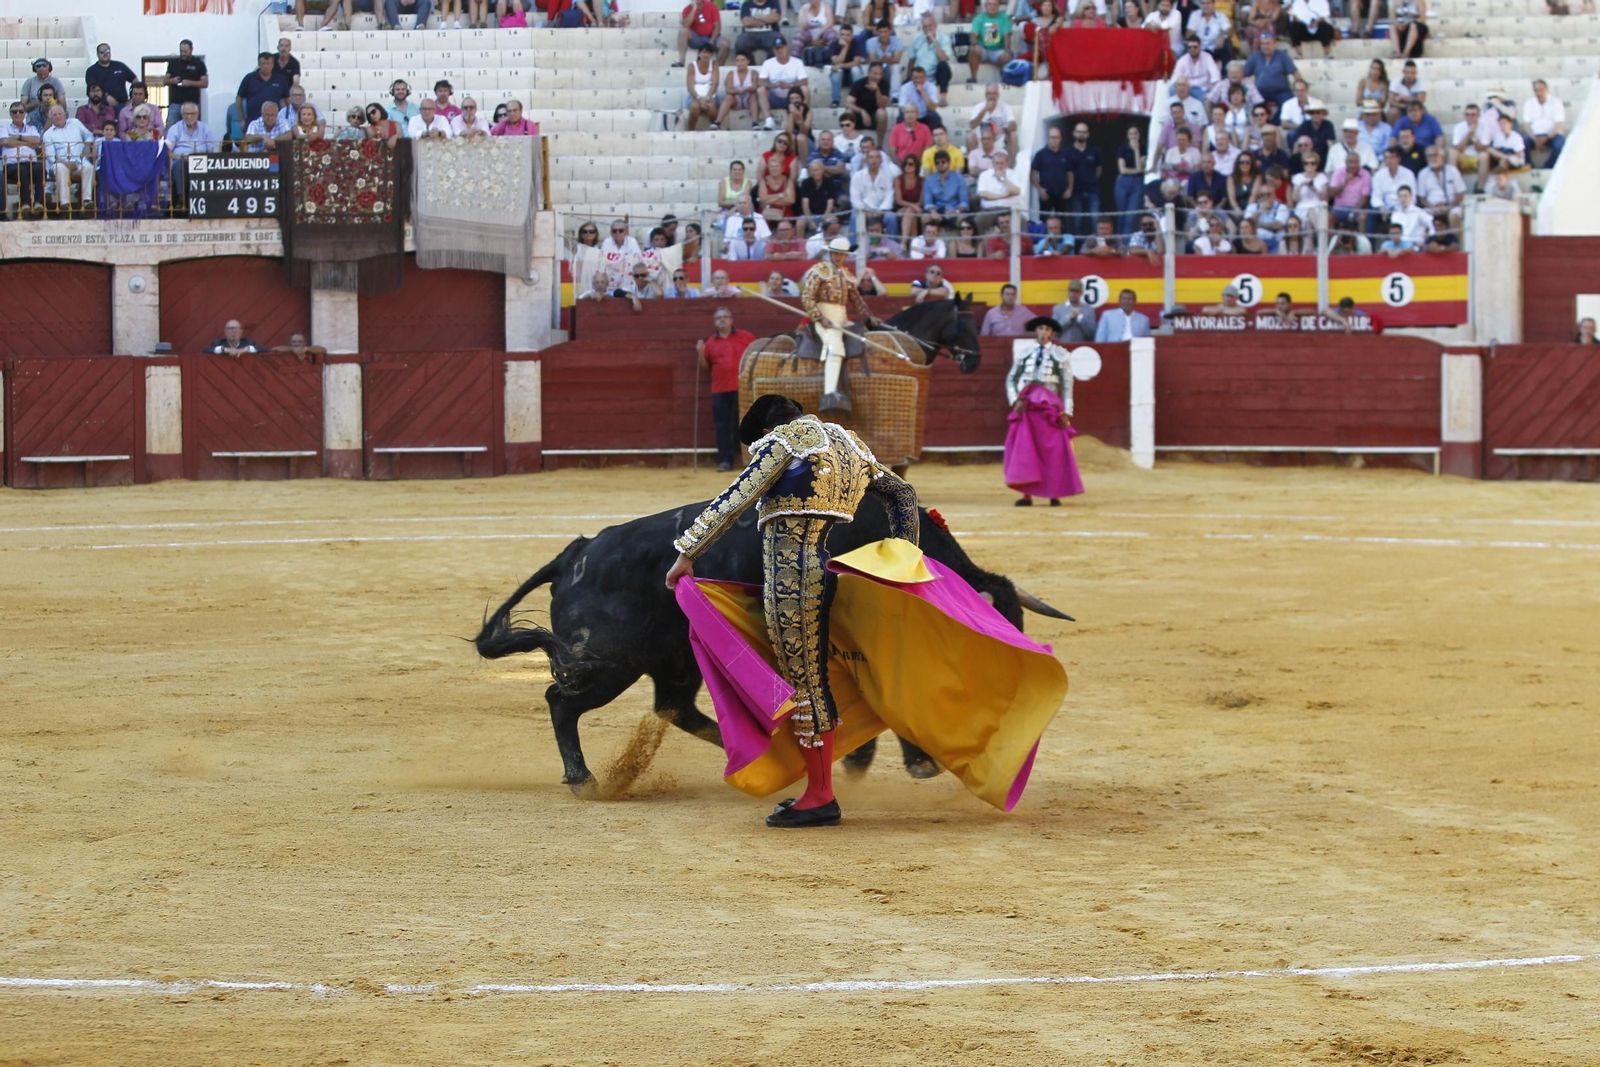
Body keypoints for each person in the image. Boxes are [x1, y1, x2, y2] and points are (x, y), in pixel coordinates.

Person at [663, 394, 922, 828]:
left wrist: (687, 552)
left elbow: (736, 498)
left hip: (790, 581)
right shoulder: (851, 444)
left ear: (765, 430)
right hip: (824, 572)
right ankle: (817, 788)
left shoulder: (787, 440)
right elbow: (903, 494)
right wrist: (906, 559)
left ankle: (821, 796)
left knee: (806, 684)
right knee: (812, 679)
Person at [1005, 315, 1084, 507]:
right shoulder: (1025, 353)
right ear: (1036, 331)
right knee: (1026, 450)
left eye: (1047, 329)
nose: (1043, 332)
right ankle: (1026, 495)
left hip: (1050, 409)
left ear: (1052, 333)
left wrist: (1067, 412)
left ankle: (1054, 493)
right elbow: (1011, 379)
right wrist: (1015, 401)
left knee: (1053, 451)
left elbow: (1067, 385)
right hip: (1028, 408)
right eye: (1040, 329)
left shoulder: (1060, 354)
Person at [801, 236, 881, 412]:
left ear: (846, 256)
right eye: (835, 253)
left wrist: (869, 317)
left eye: (841, 254)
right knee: (835, 347)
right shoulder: (819, 270)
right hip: (824, 316)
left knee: (865, 338)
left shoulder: (846, 274)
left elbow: (856, 299)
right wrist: (819, 317)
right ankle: (829, 395)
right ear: (830, 253)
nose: (838, 257)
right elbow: (807, 297)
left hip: (842, 318)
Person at [695, 309, 756, 471]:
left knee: (744, 424)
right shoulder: (710, 342)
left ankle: (747, 459)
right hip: (720, 389)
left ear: (731, 319)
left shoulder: (746, 337)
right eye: (718, 318)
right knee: (722, 426)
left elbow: (756, 355)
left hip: (742, 388)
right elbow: (705, 366)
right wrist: (701, 352)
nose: (722, 320)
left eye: (725, 317)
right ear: (715, 322)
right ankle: (725, 460)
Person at [1, 104, 45, 220]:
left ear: (25, 113)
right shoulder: (4, 128)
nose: (18, 114)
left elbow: (36, 141)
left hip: (30, 162)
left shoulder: (32, 128)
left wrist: (18, 137)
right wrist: (27, 142)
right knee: (23, 169)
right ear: (10, 114)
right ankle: (25, 203)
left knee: (40, 168)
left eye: (20, 111)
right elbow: (5, 142)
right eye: (14, 112)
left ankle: (38, 202)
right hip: (11, 164)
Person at [1243, 32, 1296, 112]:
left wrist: (1299, 86)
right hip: (1261, 91)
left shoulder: (1283, 56)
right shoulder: (1254, 57)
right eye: (1263, 44)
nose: (1265, 46)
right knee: (1256, 106)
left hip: (1282, 91)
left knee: (1288, 105)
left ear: (1274, 44)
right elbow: (1244, 74)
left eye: (1268, 44)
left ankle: (1276, 122)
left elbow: (1295, 73)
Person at [237, 52, 290, 128]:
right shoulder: (249, 78)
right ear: (259, 64)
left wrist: (287, 119)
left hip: (275, 123)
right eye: (263, 63)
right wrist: (242, 119)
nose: (266, 66)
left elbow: (287, 100)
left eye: (268, 63)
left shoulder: (280, 79)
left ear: (273, 64)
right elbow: (239, 98)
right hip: (253, 122)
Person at [968, 0, 1014, 84]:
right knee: (973, 49)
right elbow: (973, 36)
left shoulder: (1004, 18)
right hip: (983, 49)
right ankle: (973, 78)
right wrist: (975, 44)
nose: (992, 6)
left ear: (998, 6)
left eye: (995, 4)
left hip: (998, 50)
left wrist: (1007, 50)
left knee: (1006, 57)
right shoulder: (979, 18)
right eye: (989, 4)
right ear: (985, 6)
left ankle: (1004, 79)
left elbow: (1007, 36)